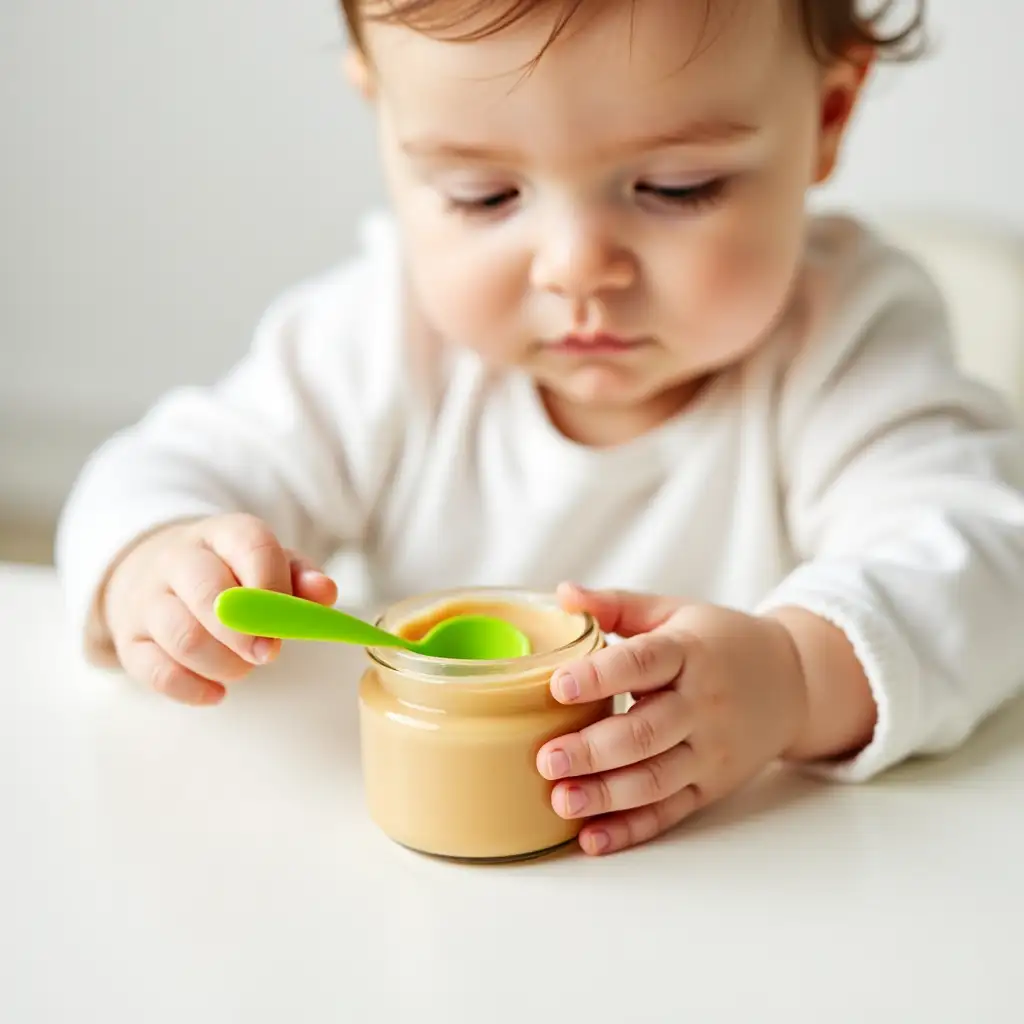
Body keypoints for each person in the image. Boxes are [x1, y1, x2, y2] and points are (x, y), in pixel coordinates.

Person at [56, 0, 1024, 857]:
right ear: (387, 125)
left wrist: (792, 681)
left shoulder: (844, 339)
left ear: (826, 113)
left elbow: (984, 566)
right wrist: (156, 560)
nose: (574, 267)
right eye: (484, 195)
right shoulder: (380, 340)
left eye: (676, 186)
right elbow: (153, 471)